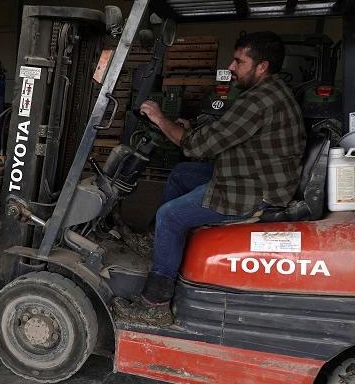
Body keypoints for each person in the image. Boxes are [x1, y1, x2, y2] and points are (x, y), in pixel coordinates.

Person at [115, 31, 305, 325]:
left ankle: (155, 303)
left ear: (262, 67)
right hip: (251, 174)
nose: (230, 67)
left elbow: (196, 147)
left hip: (253, 192)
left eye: (239, 62)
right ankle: (155, 244)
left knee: (170, 215)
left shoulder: (259, 101)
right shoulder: (272, 92)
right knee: (181, 174)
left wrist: (160, 120)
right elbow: (224, 135)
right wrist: (190, 128)